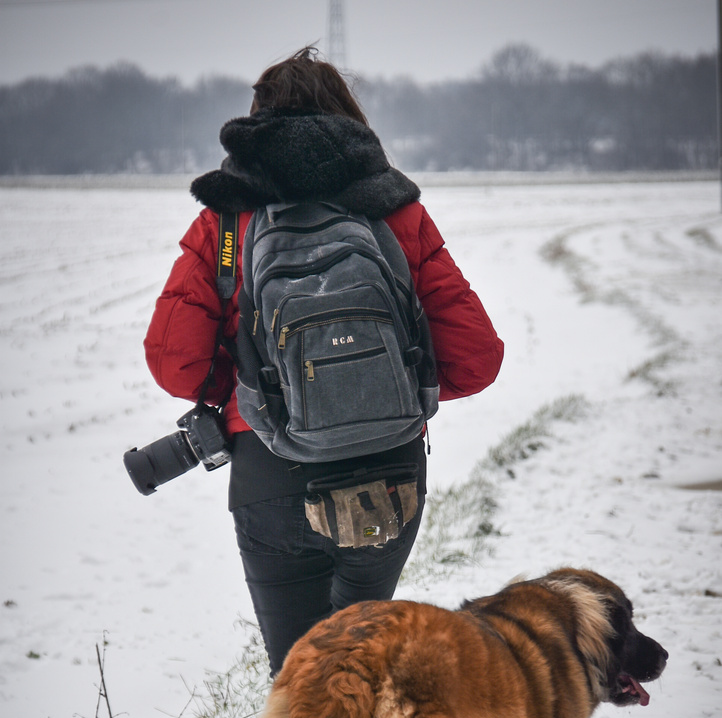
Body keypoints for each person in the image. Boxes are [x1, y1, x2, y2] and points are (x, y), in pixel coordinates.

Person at [144, 47, 503, 680]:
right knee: (358, 670)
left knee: (302, 682)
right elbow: (476, 358)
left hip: (268, 473)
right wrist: (380, 383)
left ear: (256, 123)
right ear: (348, 117)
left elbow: (176, 365)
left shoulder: (226, 223)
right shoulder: (393, 209)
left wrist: (249, 388)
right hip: (387, 473)